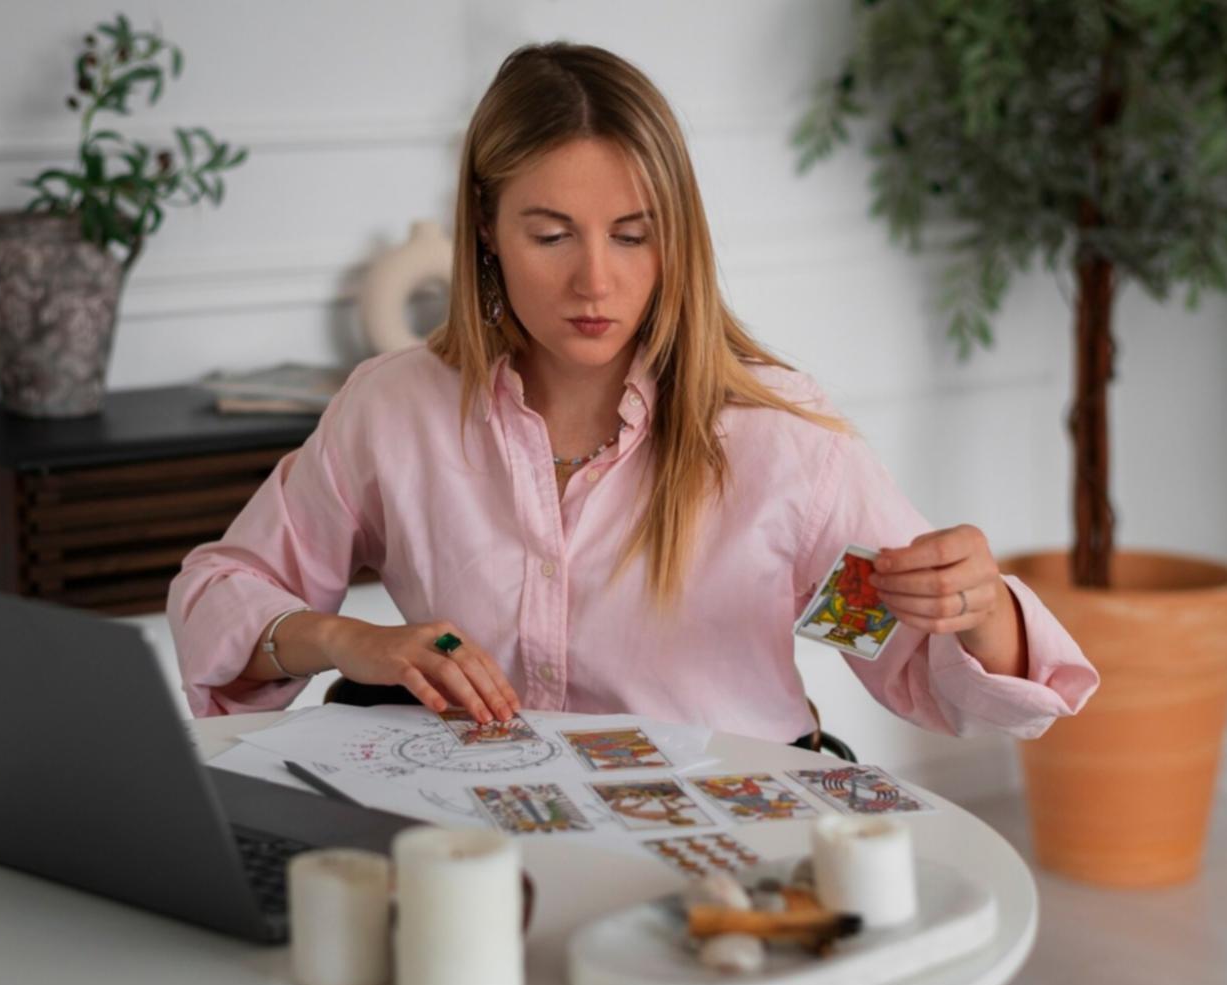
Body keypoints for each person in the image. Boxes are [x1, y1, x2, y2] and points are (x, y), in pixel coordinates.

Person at [166, 42, 1099, 745]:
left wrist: (980, 611)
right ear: (485, 226)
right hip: (484, 846)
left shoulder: (780, 442)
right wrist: (346, 641)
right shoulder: (393, 411)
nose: (595, 282)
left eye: (631, 235)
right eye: (550, 235)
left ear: (677, 235)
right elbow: (218, 592)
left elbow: (917, 666)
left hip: (728, 857)